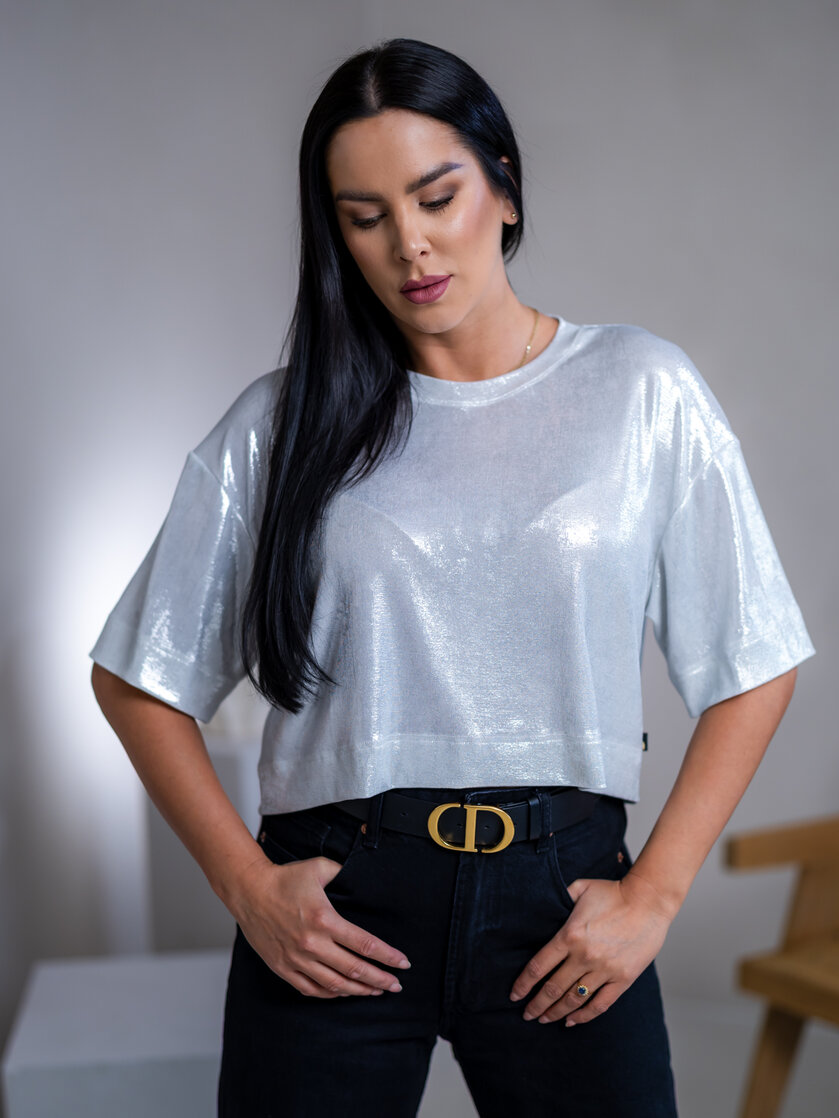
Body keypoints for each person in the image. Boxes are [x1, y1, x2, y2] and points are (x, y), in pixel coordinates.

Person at [89, 37, 815, 1118]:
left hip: (561, 901)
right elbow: (137, 679)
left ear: (504, 186)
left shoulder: (640, 390)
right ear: (336, 234)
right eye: (365, 216)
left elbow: (755, 661)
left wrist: (654, 893)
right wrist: (246, 886)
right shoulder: (280, 426)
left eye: (437, 197)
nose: (410, 245)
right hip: (336, 906)